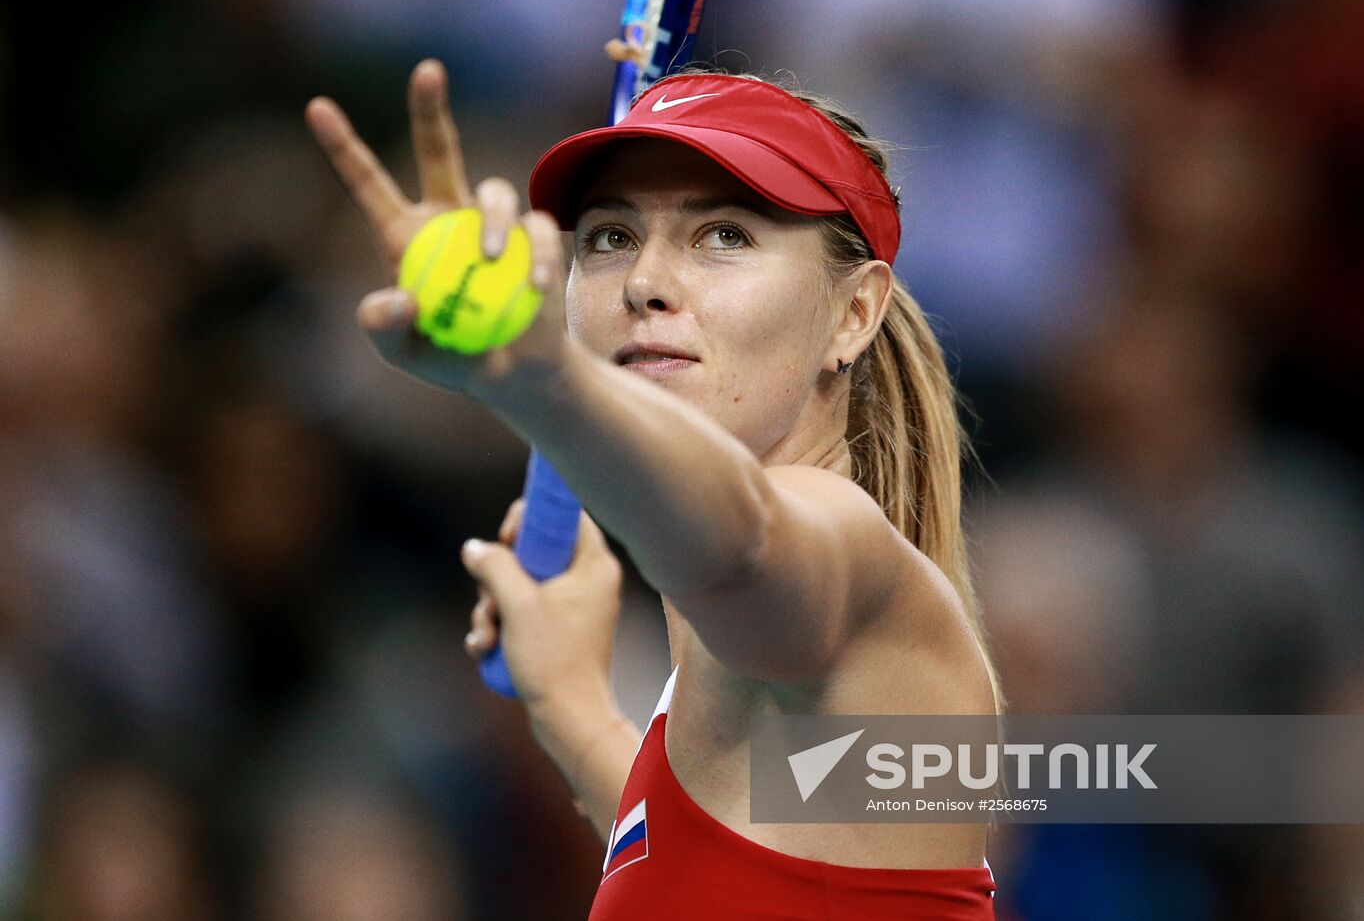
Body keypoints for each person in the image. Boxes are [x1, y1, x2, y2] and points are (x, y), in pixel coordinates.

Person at [305, 57, 999, 920]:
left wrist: (542, 383)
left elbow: (739, 541)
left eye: (726, 235)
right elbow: (702, 878)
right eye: (610, 237)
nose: (644, 282)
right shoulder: (718, 695)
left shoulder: (843, 544)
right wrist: (574, 709)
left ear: (854, 313)